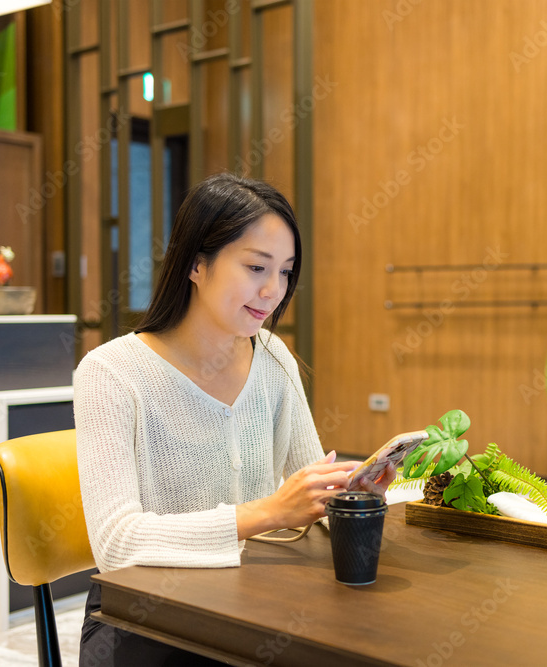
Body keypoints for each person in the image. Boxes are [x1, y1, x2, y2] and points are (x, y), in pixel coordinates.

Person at [74, 173, 395, 666]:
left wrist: (352, 494)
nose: (272, 290)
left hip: (250, 605)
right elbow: (118, 543)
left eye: (286, 271)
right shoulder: (111, 373)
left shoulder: (273, 358)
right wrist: (269, 512)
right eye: (255, 267)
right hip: (146, 621)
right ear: (196, 263)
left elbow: (310, 490)